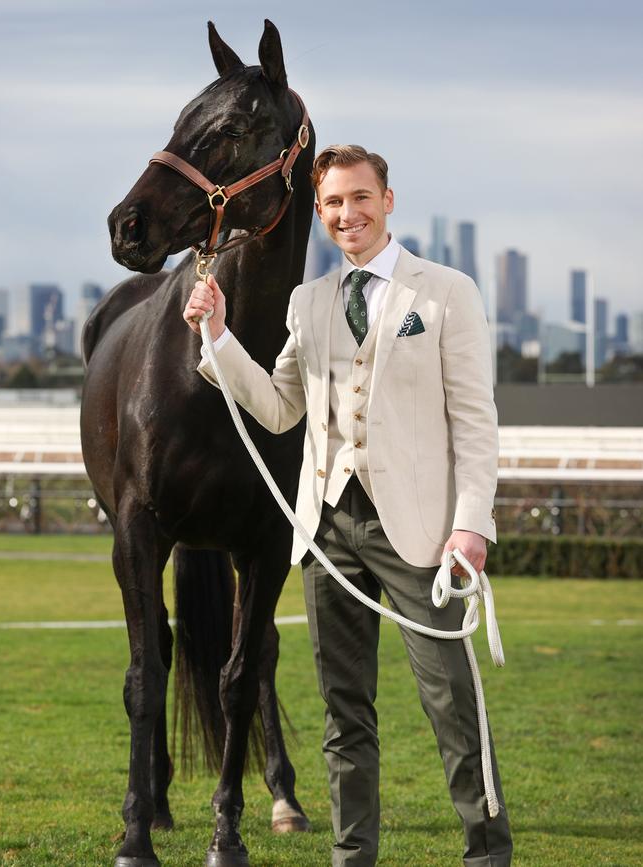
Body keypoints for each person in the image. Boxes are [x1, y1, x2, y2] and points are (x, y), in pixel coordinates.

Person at [183, 145, 513, 867]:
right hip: (327, 528)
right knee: (344, 713)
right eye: (332, 203)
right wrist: (218, 333)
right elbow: (275, 409)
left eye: (359, 198)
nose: (346, 214)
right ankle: (350, 855)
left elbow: (476, 420)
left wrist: (471, 523)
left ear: (387, 200)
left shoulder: (447, 292)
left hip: (422, 534)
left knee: (452, 702)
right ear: (322, 213)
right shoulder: (311, 302)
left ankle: (487, 852)